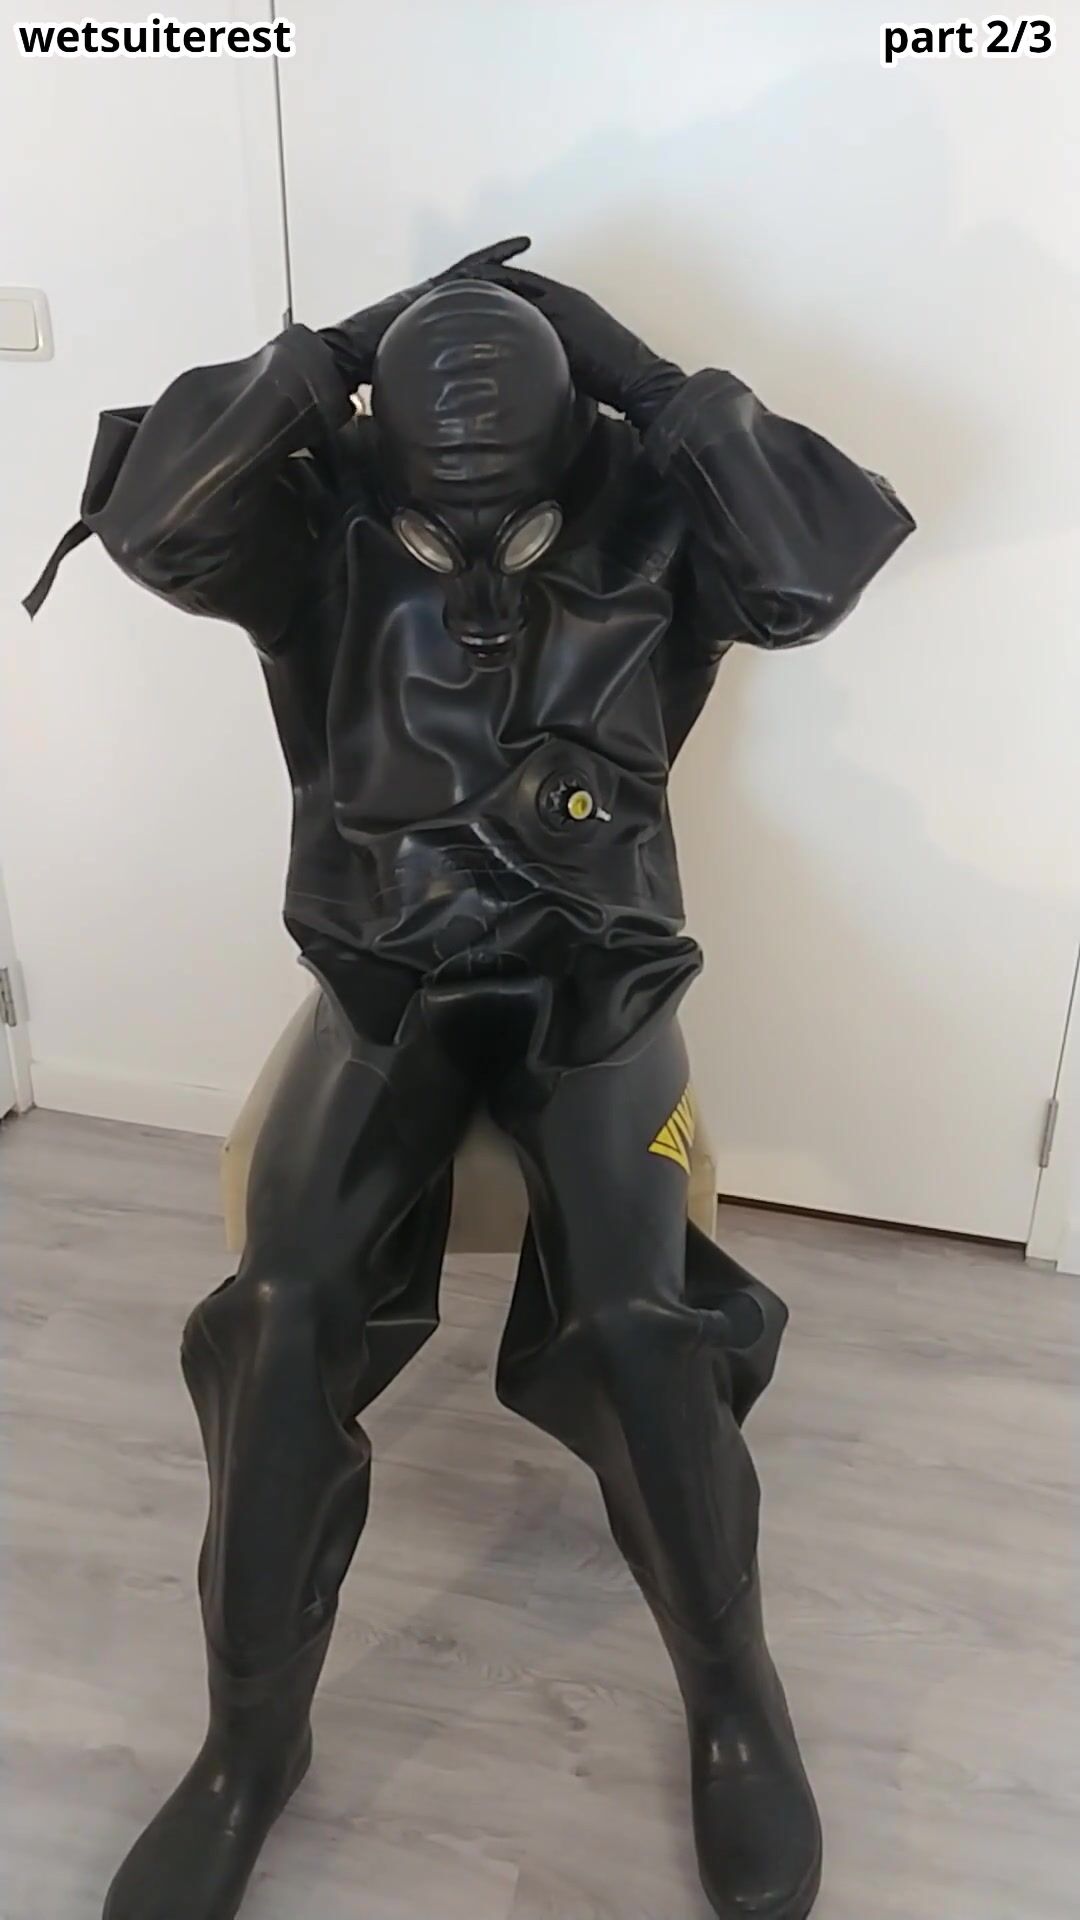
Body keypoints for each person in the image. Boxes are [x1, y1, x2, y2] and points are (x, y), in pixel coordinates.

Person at [27, 236, 914, 1920]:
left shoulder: (657, 509)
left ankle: (735, 1697)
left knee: (642, 1319)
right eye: (431, 435)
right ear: (385, 436)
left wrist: (658, 387)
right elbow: (148, 526)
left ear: (574, 424)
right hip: (386, 986)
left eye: (511, 428)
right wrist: (326, 350)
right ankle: (247, 1742)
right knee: (280, 1304)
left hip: (598, 989)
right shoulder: (317, 523)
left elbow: (808, 575)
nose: (469, 468)